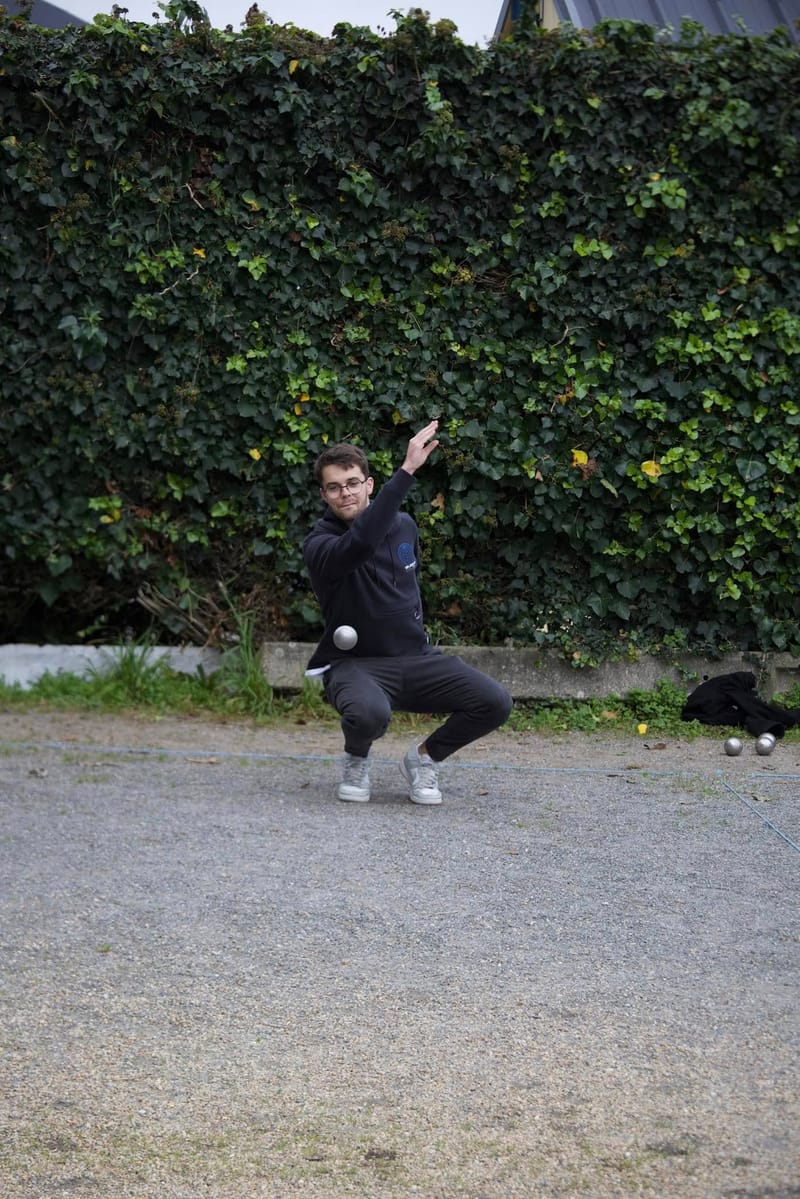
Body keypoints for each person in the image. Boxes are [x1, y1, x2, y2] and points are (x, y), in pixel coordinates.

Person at [302, 419, 513, 805]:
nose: (344, 493)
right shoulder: (320, 544)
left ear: (368, 485)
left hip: (415, 658)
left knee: (495, 702)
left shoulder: (404, 526)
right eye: (334, 487)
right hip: (355, 665)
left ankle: (424, 758)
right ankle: (356, 759)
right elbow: (361, 543)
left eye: (352, 483)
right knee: (368, 714)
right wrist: (407, 470)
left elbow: (405, 584)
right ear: (323, 494)